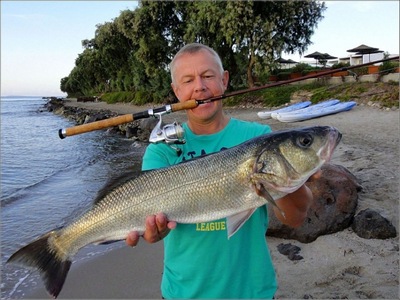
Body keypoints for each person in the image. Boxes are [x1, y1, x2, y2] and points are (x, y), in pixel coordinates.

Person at [126, 43, 316, 299]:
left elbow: (295, 218)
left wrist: (284, 174)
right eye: (188, 80)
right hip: (183, 293)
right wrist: (153, 231)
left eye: (208, 76)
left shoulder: (258, 137)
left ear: (224, 80)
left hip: (252, 292)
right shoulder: (161, 152)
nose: (200, 87)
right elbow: (153, 227)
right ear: (177, 91)